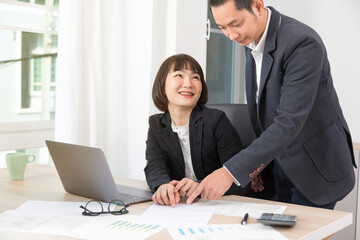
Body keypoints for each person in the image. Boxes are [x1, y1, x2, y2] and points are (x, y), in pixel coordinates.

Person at [187, 0, 356, 209]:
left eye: (236, 24)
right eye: (223, 28)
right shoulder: (251, 40)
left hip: (316, 165)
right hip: (281, 163)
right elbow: (264, 111)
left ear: (257, 6)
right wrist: (256, 167)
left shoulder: (302, 43)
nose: (231, 35)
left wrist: (230, 172)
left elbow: (288, 121)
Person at [145, 54, 252, 207]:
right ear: (162, 85)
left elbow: (239, 175)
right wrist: (163, 186)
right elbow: (154, 166)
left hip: (219, 205)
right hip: (181, 207)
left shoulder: (216, 121)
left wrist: (200, 186)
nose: (188, 84)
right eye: (179, 75)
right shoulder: (156, 124)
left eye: (195, 77)